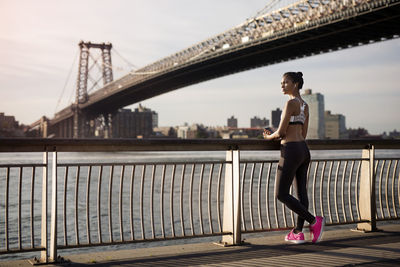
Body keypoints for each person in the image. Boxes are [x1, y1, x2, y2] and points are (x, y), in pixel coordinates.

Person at [263, 72, 324, 244]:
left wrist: (268, 137)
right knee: (301, 192)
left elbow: (281, 132)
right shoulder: (305, 105)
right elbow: (303, 133)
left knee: (281, 194)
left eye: (285, 82)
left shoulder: (290, 103)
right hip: (303, 150)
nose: (282, 86)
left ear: (295, 84)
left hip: (290, 150)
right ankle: (298, 232)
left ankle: (314, 221)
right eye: (281, 83)